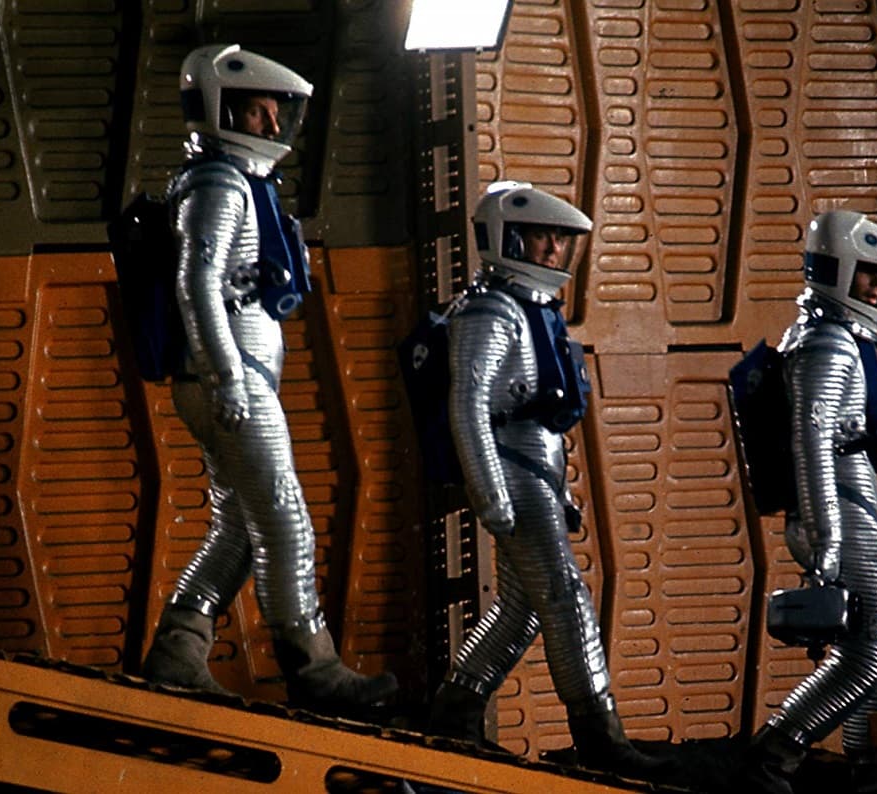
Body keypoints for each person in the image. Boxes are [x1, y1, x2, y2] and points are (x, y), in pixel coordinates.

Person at [141, 43, 398, 718]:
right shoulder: (219, 184)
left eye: (274, 112)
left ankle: (178, 651)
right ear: (223, 109)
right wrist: (227, 376)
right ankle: (315, 670)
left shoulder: (230, 182)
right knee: (286, 522)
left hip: (231, 377)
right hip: (229, 379)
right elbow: (196, 282)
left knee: (237, 528)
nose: (272, 123)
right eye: (258, 110)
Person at [426, 181, 667, 778]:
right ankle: (599, 736)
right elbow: (468, 406)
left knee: (522, 606)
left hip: (533, 474)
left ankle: (455, 710)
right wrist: (489, 493)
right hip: (512, 474)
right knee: (564, 597)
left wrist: (558, 493)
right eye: (542, 236)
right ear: (507, 238)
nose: (555, 250)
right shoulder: (489, 310)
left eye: (562, 239)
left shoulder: (531, 310)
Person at [749, 210, 877, 793]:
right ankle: (773, 754)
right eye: (869, 274)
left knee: (876, 649)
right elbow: (812, 439)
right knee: (865, 655)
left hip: (848, 505)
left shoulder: (830, 337)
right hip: (841, 511)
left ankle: (871, 766)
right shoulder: (827, 344)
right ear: (838, 270)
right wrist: (826, 541)